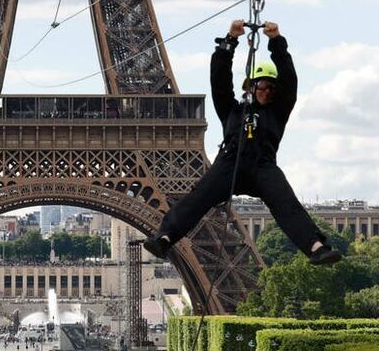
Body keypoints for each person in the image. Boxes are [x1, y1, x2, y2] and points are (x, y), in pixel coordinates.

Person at [143, 20, 342, 265]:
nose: (267, 91)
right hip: (230, 163)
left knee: (286, 204)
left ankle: (316, 247)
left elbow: (290, 81)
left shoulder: (278, 111)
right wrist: (229, 42)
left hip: (262, 165)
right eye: (262, 85)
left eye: (272, 88)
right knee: (198, 198)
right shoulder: (231, 110)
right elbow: (220, 81)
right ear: (251, 85)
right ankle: (165, 237)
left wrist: (277, 42)